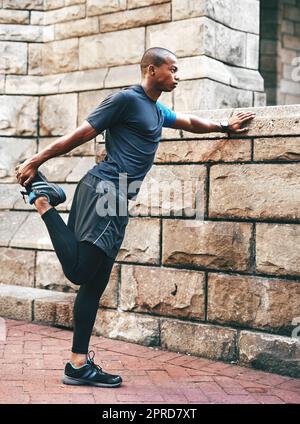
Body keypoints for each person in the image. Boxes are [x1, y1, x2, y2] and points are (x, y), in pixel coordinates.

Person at [15, 47, 255, 388]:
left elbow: (189, 122)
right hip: (105, 190)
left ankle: (78, 365)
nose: (177, 75)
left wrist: (223, 126)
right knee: (80, 271)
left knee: (94, 283)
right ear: (151, 69)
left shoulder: (156, 110)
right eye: (172, 69)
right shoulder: (126, 100)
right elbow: (83, 132)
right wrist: (37, 160)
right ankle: (42, 200)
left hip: (117, 199)